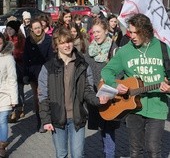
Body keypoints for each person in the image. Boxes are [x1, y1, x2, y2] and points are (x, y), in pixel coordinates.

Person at [101, 13, 170, 158]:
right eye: (130, 32)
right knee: (135, 151)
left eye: (135, 32)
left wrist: (169, 89)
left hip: (157, 107)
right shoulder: (125, 50)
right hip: (132, 108)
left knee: (153, 149)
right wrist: (115, 85)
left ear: (146, 31)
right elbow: (107, 71)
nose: (131, 36)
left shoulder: (163, 49)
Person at [38, 27, 107, 158]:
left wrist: (98, 100)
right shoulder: (47, 67)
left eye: (69, 41)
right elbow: (43, 96)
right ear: (56, 44)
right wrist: (46, 119)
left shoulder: (82, 65)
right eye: (63, 42)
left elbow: (88, 90)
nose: (67, 45)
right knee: (61, 154)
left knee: (78, 154)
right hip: (57, 118)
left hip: (77, 117)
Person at [85, 18, 120, 158]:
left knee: (109, 128)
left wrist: (107, 79)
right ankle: (106, 152)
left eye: (99, 32)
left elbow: (121, 70)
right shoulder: (90, 49)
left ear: (106, 31)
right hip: (95, 95)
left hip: (110, 95)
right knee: (102, 128)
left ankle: (109, 155)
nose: (96, 35)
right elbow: (86, 69)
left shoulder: (113, 48)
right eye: (94, 32)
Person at [23, 19, 54, 133]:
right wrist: (26, 73)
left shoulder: (48, 39)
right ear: (31, 29)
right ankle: (40, 120)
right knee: (37, 97)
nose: (37, 30)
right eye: (35, 28)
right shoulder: (28, 40)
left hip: (45, 72)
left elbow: (51, 58)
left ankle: (47, 118)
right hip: (33, 73)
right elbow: (25, 58)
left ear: (42, 27)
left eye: (39, 27)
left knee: (44, 96)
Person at [0, 32, 18, 158]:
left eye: (0, 43)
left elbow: (12, 79)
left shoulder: (8, 58)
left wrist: (14, 98)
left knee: (2, 120)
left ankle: (2, 146)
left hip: (5, 94)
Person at [4, 20, 25, 122]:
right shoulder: (4, 38)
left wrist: (14, 54)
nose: (9, 30)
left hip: (18, 66)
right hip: (6, 68)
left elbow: (22, 52)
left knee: (19, 88)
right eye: (7, 28)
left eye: (11, 29)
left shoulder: (20, 39)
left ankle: (20, 107)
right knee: (9, 89)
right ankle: (12, 111)